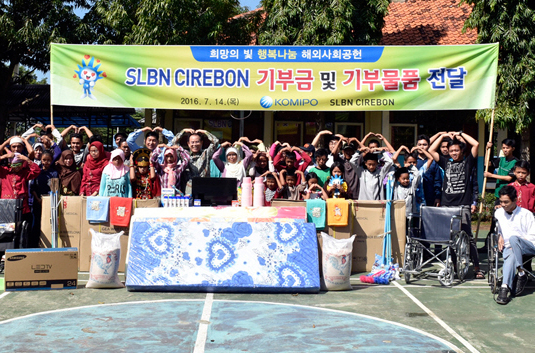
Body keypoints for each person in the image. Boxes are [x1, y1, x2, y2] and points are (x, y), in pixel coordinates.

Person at [429, 131, 484, 279]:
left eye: (456, 150)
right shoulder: (445, 162)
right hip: (447, 206)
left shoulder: (468, 162)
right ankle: (454, 267)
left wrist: (460, 134)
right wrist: (442, 136)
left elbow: (476, 144)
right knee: (451, 238)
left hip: (463, 206)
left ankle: (477, 267)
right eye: (451, 150)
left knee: (468, 236)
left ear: (462, 151)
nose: (454, 153)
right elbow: (431, 150)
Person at [494, 186, 535, 305]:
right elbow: (499, 230)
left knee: (513, 239)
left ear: (515, 200)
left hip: (528, 246)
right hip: (509, 249)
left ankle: (521, 271)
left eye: (506, 202)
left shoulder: (526, 214)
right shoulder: (498, 213)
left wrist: (515, 242)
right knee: (511, 251)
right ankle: (505, 287)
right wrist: (499, 235)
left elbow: (532, 236)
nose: (503, 204)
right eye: (501, 201)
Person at [0, 149, 41, 247]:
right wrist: (4, 157)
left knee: (22, 232)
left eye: (19, 164)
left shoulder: (24, 174)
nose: (17, 167)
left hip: (22, 209)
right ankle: (5, 252)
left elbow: (37, 171)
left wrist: (27, 159)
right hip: (6, 208)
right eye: (14, 164)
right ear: (10, 164)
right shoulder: (4, 172)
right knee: (6, 232)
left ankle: (21, 250)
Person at [172, 128, 219, 195]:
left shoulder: (206, 153)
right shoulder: (184, 154)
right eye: (192, 142)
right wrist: (183, 131)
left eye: (197, 142)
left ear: (201, 142)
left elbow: (215, 142)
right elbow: (174, 143)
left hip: (204, 190)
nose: (195, 144)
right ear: (188, 143)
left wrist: (205, 132)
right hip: (187, 191)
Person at [415, 135, 442, 207]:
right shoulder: (413, 160)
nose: (421, 147)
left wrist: (437, 197)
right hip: (415, 197)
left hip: (430, 196)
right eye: (419, 145)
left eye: (424, 145)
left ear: (429, 146)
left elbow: (437, 181)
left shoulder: (433, 162)